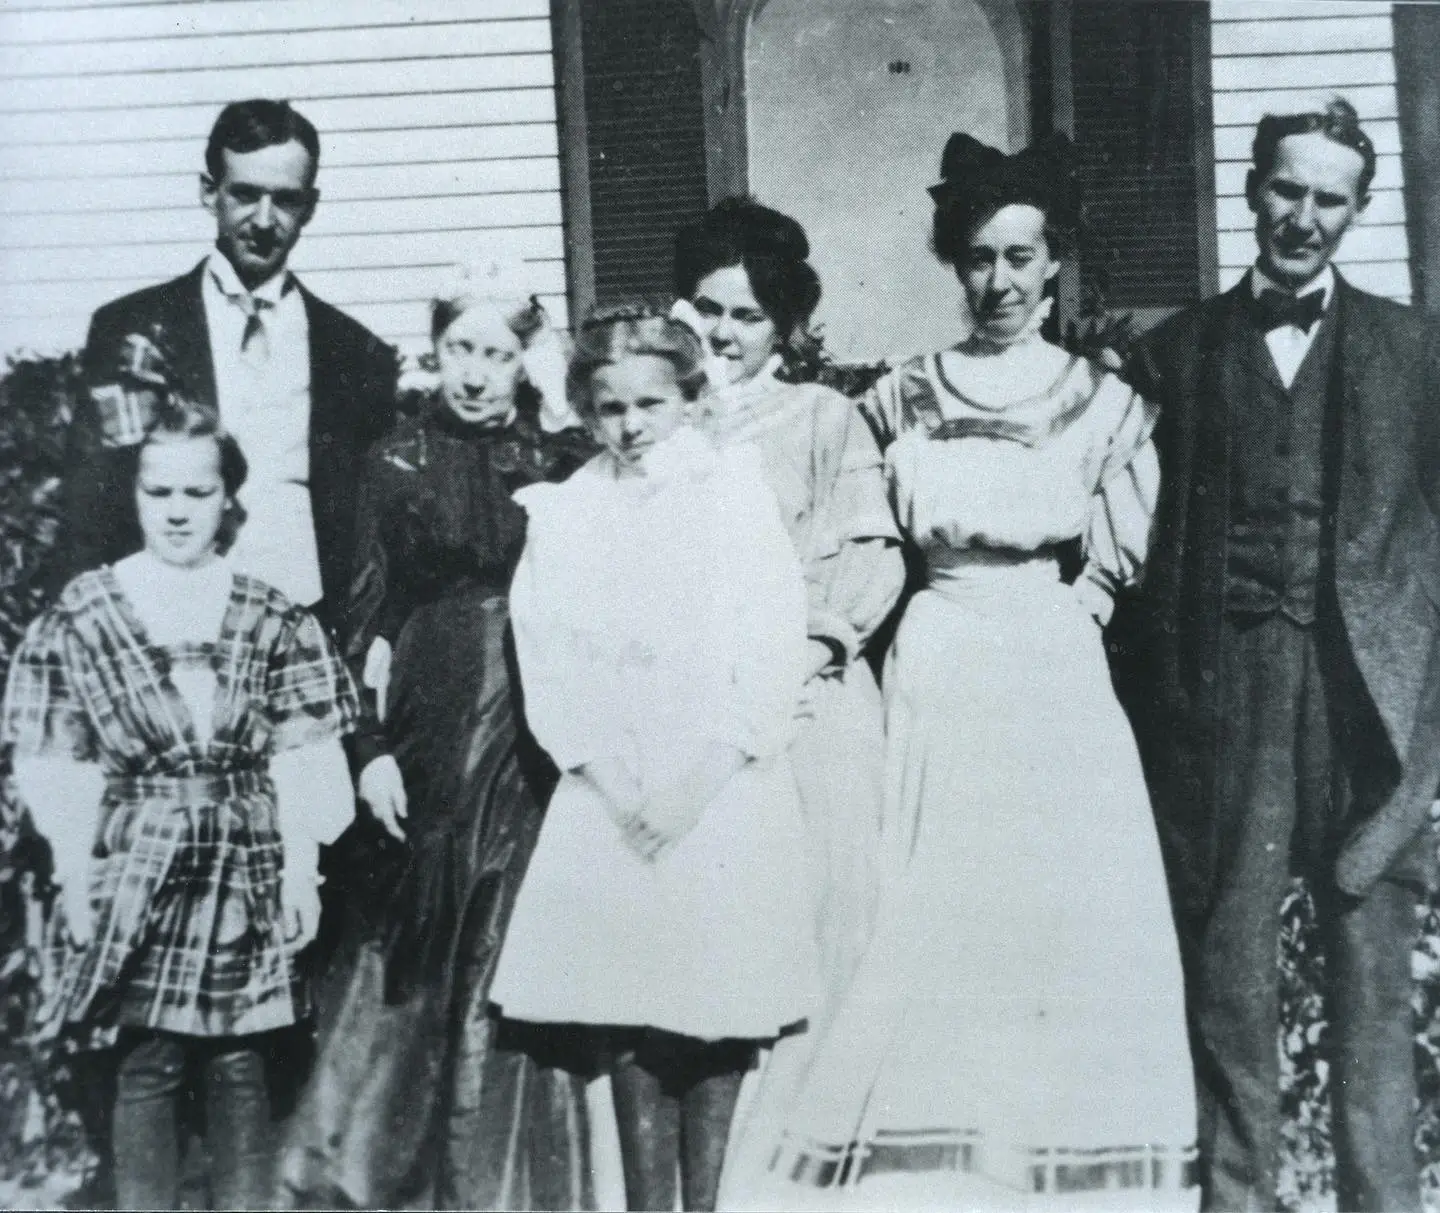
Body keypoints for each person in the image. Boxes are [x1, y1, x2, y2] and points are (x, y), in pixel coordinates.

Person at [744, 133, 1198, 1210]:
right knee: (931, 895)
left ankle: (1057, 1156)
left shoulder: (1101, 397)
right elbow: (864, 539)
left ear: (1054, 266)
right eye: (980, 258)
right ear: (956, 263)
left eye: (1022, 257)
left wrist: (1066, 620)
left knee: (1051, 903)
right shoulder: (903, 394)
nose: (1000, 281)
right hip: (936, 658)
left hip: (1047, 666)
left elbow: (1121, 546)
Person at [45, 97, 402, 1201]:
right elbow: (98, 520)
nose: (262, 216)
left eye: (285, 197)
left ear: (311, 206)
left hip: (290, 666)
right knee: (154, 963)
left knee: (284, 948)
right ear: (209, 192)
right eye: (242, 192)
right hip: (169, 668)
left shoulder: (350, 350)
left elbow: (363, 539)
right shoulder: (134, 329)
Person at [1112, 98, 1440, 1212]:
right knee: (1231, 978)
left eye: (1328, 199)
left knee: (1370, 988)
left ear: (1357, 211)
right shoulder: (1176, 351)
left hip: (1366, 703)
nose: (1303, 217)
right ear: (1252, 188)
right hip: (1228, 695)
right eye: (1286, 190)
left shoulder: (1416, 350)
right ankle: (1241, 1200)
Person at [279, 257, 595, 1210]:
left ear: (523, 360)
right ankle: (400, 1177)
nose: (475, 371)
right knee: (420, 922)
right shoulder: (392, 460)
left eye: (497, 352)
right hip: (430, 702)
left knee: (512, 924)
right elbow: (354, 620)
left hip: (540, 713)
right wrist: (367, 753)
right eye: (461, 345)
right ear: (437, 345)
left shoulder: (565, 461)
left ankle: (505, 1183)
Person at [488, 305, 820, 1213]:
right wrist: (604, 772)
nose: (630, 425)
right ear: (586, 412)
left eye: (649, 403)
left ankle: (706, 1201)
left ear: (689, 397)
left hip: (717, 785)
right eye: (609, 408)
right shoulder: (570, 507)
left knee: (714, 1010)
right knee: (629, 1002)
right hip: (614, 787)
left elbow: (770, 634)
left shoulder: (731, 490)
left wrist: (705, 777)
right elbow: (545, 647)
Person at [0, 397, 360, 1210]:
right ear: (134, 495)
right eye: (157, 492)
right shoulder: (90, 612)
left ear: (227, 500)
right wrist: (71, 870)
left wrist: (301, 869)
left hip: (245, 851)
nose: (175, 512)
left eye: (196, 494)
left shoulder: (269, 611)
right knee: (150, 1056)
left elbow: (305, 749)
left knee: (239, 1059)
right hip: (137, 854)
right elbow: (56, 754)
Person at [667, 197, 904, 1205]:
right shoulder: (656, 417)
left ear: (786, 326)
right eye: (709, 310)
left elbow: (872, 556)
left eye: (747, 316)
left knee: (824, 925)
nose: (723, 334)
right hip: (691, 707)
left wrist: (812, 646)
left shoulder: (823, 418)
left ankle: (813, 1172)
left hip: (807, 701)